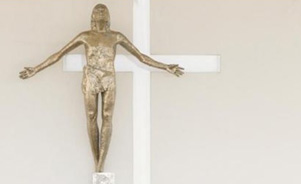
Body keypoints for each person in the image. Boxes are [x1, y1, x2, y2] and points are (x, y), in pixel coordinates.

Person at [19, 4, 184, 172]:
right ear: (92, 16)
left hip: (108, 78)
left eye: (103, 10)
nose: (100, 12)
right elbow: (59, 54)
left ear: (108, 16)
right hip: (91, 77)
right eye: (97, 10)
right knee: (91, 116)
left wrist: (165, 67)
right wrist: (36, 68)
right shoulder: (85, 36)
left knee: (107, 117)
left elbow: (140, 56)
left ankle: (100, 164)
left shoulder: (116, 36)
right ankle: (96, 162)